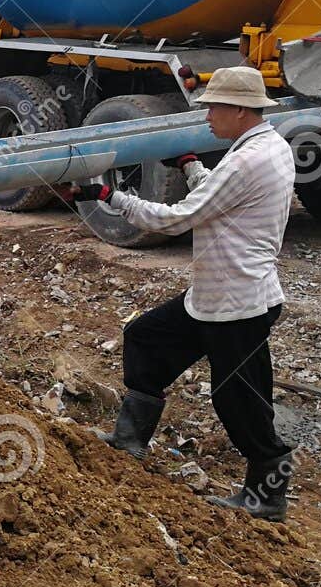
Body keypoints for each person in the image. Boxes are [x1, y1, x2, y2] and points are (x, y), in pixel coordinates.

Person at [68, 65, 297, 521]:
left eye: (213, 106)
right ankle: (130, 438)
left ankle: (267, 494)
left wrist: (108, 195)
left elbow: (176, 219)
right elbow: (218, 197)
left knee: (240, 399)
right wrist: (192, 165)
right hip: (218, 296)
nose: (207, 114)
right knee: (146, 337)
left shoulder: (247, 159)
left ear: (239, 110)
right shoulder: (267, 146)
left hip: (236, 303)